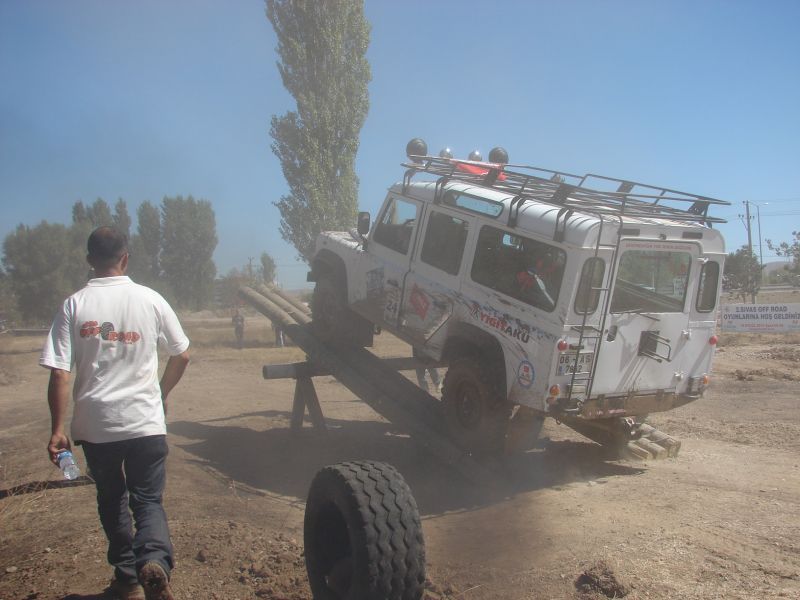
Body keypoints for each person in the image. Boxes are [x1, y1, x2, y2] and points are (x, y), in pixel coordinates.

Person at [40, 226, 190, 600]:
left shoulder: (73, 305)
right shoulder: (150, 299)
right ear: (125, 258)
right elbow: (182, 354)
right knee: (147, 500)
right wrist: (160, 392)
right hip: (145, 422)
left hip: (97, 425)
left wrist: (57, 429)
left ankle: (127, 578)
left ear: (89, 260)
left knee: (111, 498)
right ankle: (153, 560)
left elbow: (60, 373)